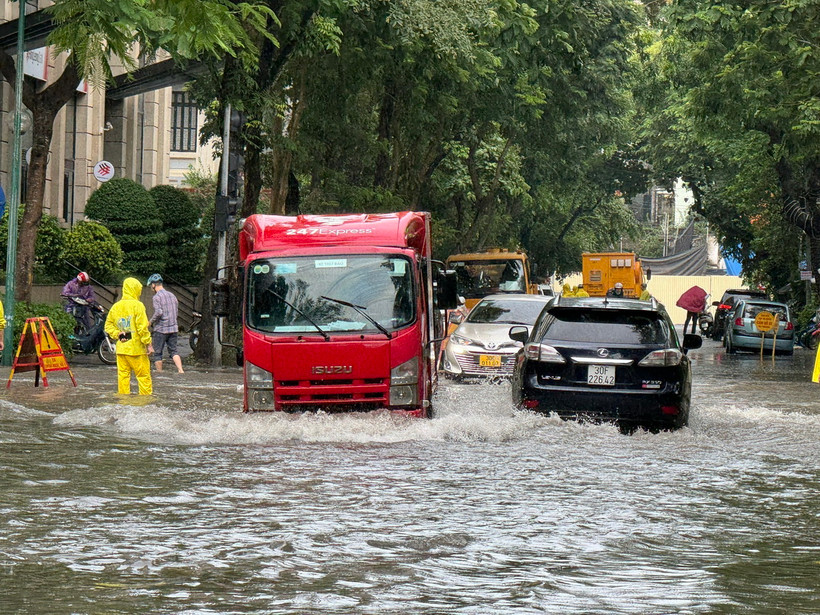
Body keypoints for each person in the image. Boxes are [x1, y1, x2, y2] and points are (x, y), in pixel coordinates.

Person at [105, 277, 154, 395]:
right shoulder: (138, 306)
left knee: (123, 378)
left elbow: (108, 326)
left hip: (121, 350)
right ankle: (145, 402)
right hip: (136, 350)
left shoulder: (116, 306)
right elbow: (142, 328)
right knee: (143, 377)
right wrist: (148, 344)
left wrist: (117, 334)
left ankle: (123, 401)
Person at [147, 273, 184, 374]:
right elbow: (176, 311)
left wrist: (150, 321)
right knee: (174, 351)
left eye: (151, 285)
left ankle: (159, 372)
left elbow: (159, 312)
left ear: (153, 285)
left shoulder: (156, 297)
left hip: (161, 329)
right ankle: (181, 370)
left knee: (158, 353)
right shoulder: (172, 295)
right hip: (173, 328)